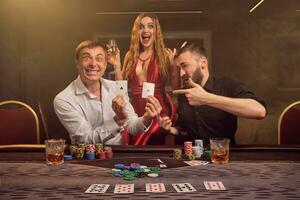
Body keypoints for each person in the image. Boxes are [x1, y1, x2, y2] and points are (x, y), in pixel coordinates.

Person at [53, 40, 162, 145]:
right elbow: (85, 140)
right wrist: (117, 120)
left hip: (118, 153)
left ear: (105, 64)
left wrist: (146, 118)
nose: (93, 64)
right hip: (86, 158)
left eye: (99, 59)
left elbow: (131, 125)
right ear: (77, 63)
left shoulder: (116, 88)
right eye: (87, 58)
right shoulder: (63, 99)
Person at [159, 43, 267, 145]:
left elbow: (260, 111)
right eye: (179, 69)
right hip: (192, 159)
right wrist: (172, 129)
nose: (182, 73)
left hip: (224, 158)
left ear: (203, 62)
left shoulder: (227, 84)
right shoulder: (184, 93)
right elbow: (184, 129)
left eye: (185, 65)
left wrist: (206, 98)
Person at [112, 13, 179, 145]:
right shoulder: (130, 56)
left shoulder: (164, 55)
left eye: (150, 26)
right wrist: (117, 65)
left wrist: (173, 67)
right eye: (141, 27)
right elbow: (121, 90)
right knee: (132, 138)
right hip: (135, 110)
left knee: (149, 139)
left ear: (156, 31)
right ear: (136, 32)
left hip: (158, 109)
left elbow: (177, 89)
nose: (145, 30)